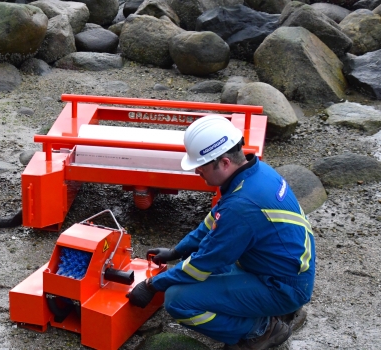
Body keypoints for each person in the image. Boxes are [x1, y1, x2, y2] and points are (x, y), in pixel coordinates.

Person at [126, 115, 315, 350]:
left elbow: (201, 265)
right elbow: (212, 223)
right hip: (278, 270)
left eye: (201, 166)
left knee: (177, 300)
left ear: (224, 162)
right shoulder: (252, 175)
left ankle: (261, 330)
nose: (197, 172)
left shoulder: (242, 206)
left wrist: (153, 285)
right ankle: (267, 309)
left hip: (283, 286)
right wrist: (177, 250)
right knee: (196, 265)